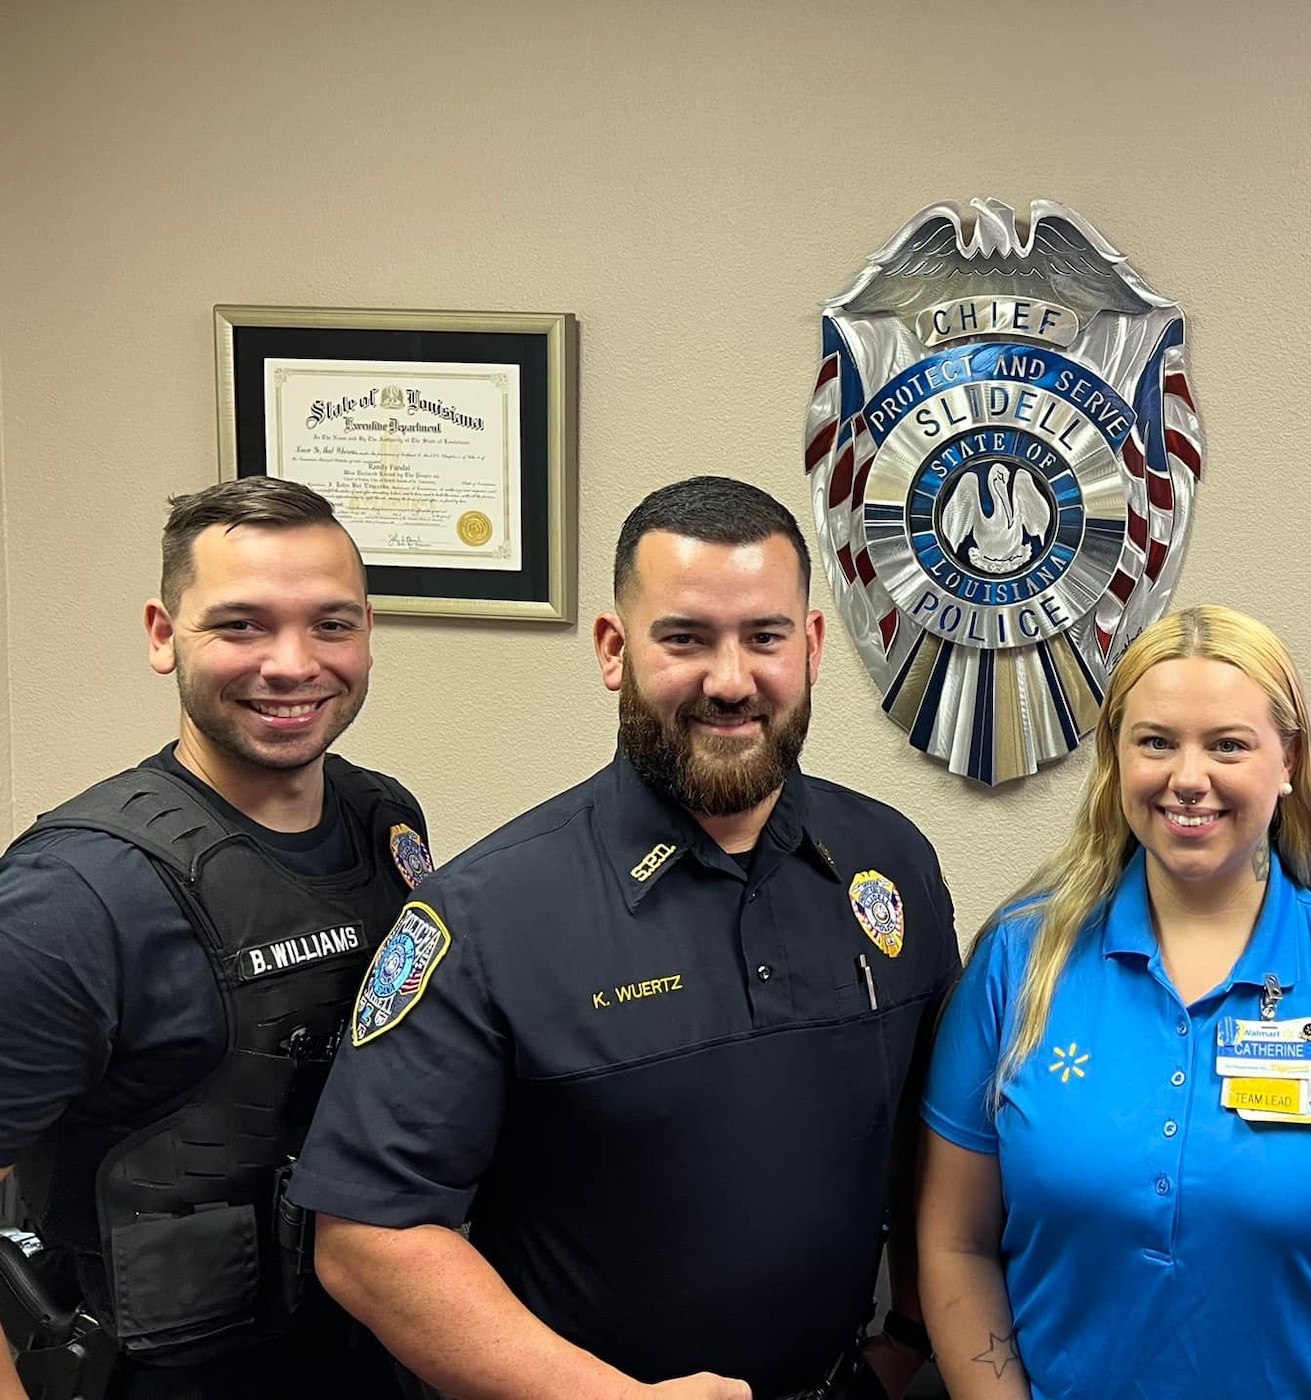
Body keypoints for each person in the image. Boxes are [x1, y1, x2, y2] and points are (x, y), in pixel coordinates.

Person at [290, 476, 959, 1400]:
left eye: (765, 638)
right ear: (615, 649)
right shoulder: (486, 914)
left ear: (809, 649)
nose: (731, 682)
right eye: (684, 638)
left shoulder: (893, 862)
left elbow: (939, 1136)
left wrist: (910, 1335)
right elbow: (367, 1238)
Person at [918, 605, 1311, 1400]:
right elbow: (956, 1245)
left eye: (1228, 744)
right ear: (1116, 759)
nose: (1189, 778)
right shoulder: (1019, 964)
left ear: (1288, 759)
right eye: (1156, 742)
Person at [0, 477, 430, 1400]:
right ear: (163, 634)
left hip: (363, 1350)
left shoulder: (383, 818)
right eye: (240, 625)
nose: (292, 663)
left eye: (332, 623)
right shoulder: (75, 894)